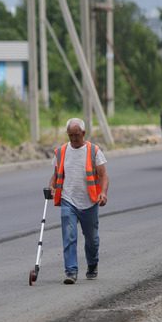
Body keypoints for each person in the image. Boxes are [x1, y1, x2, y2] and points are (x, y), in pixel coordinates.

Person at [47, 118, 109, 284]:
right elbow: (55, 175)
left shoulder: (94, 151)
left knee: (92, 240)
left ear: (83, 133)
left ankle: (92, 264)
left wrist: (102, 193)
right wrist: (52, 187)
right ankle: (71, 272)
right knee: (69, 236)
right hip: (68, 200)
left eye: (76, 135)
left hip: (90, 202)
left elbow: (103, 175)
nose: (74, 139)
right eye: (70, 135)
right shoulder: (61, 152)